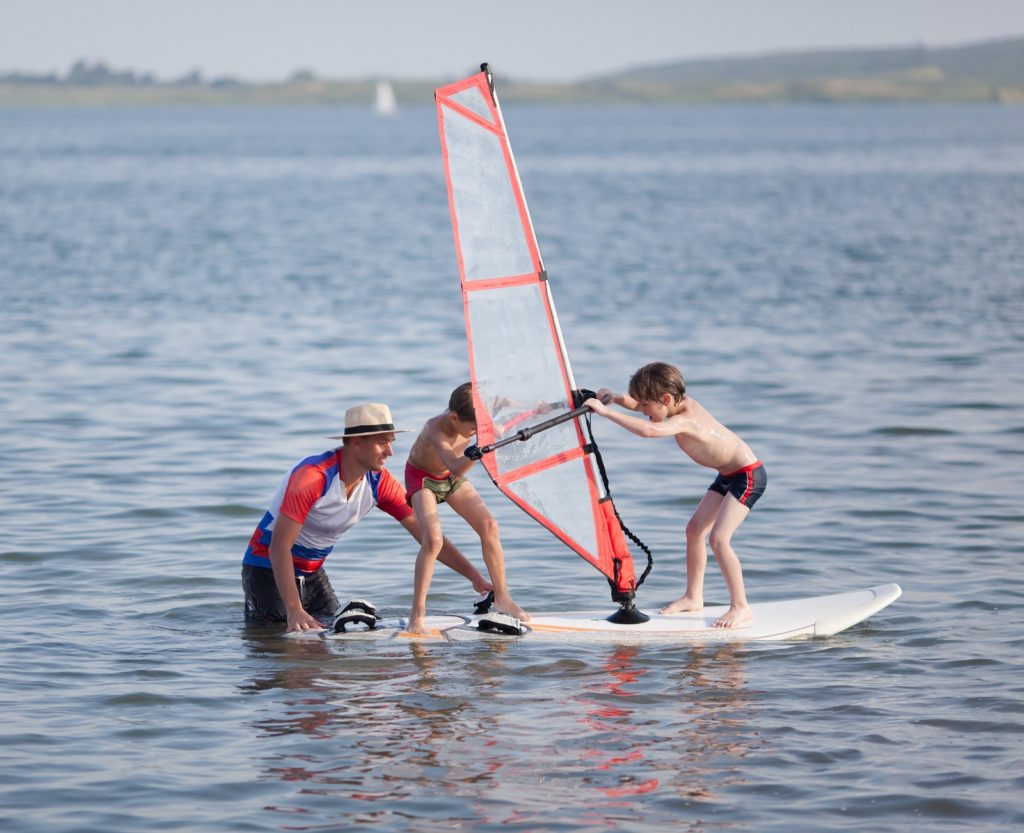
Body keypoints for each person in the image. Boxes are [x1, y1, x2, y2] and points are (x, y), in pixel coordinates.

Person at [242, 403, 492, 632]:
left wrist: (475, 578)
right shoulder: (312, 477)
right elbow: (279, 547)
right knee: (276, 642)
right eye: (382, 442)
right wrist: (294, 609)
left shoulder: (380, 483)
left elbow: (429, 538)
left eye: (391, 442)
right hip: (266, 569)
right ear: (356, 443)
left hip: (313, 573)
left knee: (331, 636)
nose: (390, 452)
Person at [584, 362, 766, 628]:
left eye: (646, 405)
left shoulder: (687, 420)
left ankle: (741, 607)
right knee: (694, 530)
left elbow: (648, 431)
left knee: (719, 538)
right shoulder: (672, 404)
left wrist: (605, 413)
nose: (643, 411)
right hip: (727, 476)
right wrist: (614, 398)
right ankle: (693, 597)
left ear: (665, 400)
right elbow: (638, 407)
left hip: (747, 476)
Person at [404, 382, 529, 634]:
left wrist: (555, 404)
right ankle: (417, 614)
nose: (477, 430)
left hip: (451, 478)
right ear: (454, 417)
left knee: (489, 525)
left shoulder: (479, 410)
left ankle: (502, 598)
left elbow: (518, 404)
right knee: (433, 541)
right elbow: (455, 466)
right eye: (474, 427)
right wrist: (478, 451)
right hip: (424, 479)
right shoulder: (436, 429)